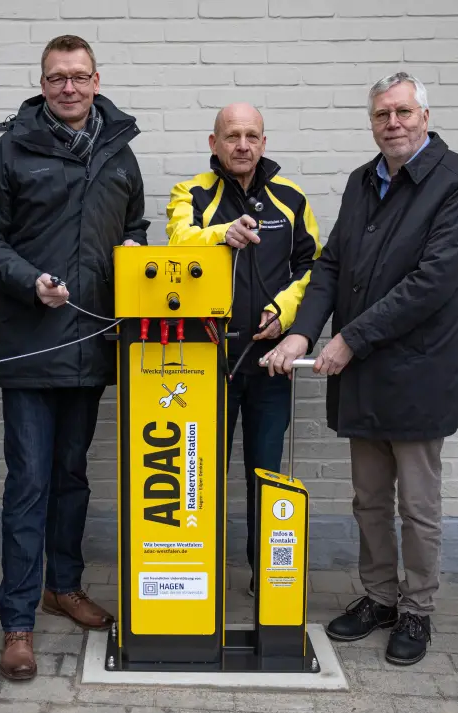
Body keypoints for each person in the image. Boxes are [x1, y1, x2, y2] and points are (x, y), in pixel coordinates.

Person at [264, 72, 458, 666]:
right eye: (382, 115)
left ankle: (417, 608)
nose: (393, 123)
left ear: (424, 116)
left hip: (417, 370)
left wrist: (350, 339)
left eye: (403, 112)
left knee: (416, 505)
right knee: (368, 498)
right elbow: (331, 265)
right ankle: (380, 597)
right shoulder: (363, 181)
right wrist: (302, 331)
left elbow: (432, 281)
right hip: (362, 370)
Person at [0, 35, 149, 682]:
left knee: (72, 477)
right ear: (42, 84)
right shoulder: (13, 149)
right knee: (30, 484)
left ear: (97, 80)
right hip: (31, 344)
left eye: (79, 76)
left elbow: (134, 227)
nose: (69, 87)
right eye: (56, 78)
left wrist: (133, 256)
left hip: (92, 344)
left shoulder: (119, 152)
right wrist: (28, 280)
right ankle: (17, 622)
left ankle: (62, 587)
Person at [166, 103, 321, 595]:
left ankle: (264, 577)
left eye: (252, 136)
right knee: (200, 476)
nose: (242, 145)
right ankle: (202, 572)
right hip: (205, 363)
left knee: (265, 473)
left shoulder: (291, 199)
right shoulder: (190, 193)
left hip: (270, 364)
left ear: (264, 143)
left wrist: (284, 312)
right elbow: (177, 242)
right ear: (214, 143)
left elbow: (314, 269)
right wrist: (222, 234)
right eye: (232, 136)